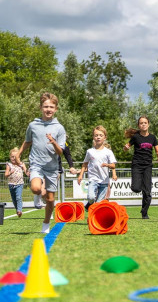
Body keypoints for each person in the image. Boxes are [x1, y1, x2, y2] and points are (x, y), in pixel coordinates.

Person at [17, 92, 66, 234]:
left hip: (52, 167)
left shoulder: (59, 128)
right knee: (35, 188)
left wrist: (54, 142)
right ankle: (38, 194)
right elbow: (28, 141)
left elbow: (60, 152)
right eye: (45, 107)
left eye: (51, 107)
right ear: (40, 108)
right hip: (36, 163)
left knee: (50, 199)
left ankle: (46, 222)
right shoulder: (33, 125)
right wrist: (19, 153)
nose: (48, 109)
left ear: (56, 109)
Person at [124, 116, 158, 219]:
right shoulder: (136, 137)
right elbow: (126, 147)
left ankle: (144, 212)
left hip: (147, 166)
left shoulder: (152, 137)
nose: (143, 124)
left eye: (145, 123)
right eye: (141, 123)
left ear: (148, 124)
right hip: (137, 165)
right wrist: (126, 148)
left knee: (147, 192)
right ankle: (142, 184)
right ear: (139, 125)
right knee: (136, 188)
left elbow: (157, 150)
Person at [77, 126, 117, 210]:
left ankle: (92, 215)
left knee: (98, 204)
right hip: (93, 179)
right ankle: (90, 203)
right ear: (93, 137)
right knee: (91, 197)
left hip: (104, 180)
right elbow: (84, 164)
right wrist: (80, 175)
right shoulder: (90, 151)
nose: (98, 137)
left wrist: (108, 166)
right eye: (96, 135)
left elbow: (113, 165)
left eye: (101, 135)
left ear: (105, 137)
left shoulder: (108, 152)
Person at [5, 147, 28, 218]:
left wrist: (29, 173)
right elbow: (6, 174)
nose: (14, 158)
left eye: (15, 156)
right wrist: (10, 173)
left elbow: (26, 172)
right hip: (11, 184)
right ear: (10, 157)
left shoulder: (21, 164)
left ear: (19, 157)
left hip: (19, 184)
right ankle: (17, 209)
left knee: (18, 197)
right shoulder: (9, 165)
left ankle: (19, 210)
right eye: (12, 157)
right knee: (14, 199)